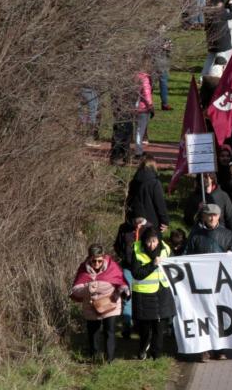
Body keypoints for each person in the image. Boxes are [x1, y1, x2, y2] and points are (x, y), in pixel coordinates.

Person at [70, 244, 128, 363]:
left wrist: (123, 290)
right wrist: (88, 288)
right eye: (94, 261)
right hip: (91, 305)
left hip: (111, 304)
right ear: (89, 258)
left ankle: (109, 359)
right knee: (93, 332)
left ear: (103, 258)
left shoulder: (112, 266)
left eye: (99, 261)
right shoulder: (83, 269)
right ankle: (95, 356)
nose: (97, 264)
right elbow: (75, 289)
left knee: (110, 330)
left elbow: (121, 281)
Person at [130, 227, 176, 360]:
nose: (152, 245)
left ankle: (156, 354)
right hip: (144, 295)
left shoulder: (166, 249)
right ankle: (143, 347)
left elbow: (174, 266)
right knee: (144, 327)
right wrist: (153, 265)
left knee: (159, 326)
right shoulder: (136, 250)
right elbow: (137, 273)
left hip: (162, 292)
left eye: (154, 241)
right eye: (149, 241)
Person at [124, 154, 169, 232]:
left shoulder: (134, 181)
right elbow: (160, 203)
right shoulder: (154, 183)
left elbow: (129, 201)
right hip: (152, 223)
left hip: (136, 220)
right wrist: (165, 221)